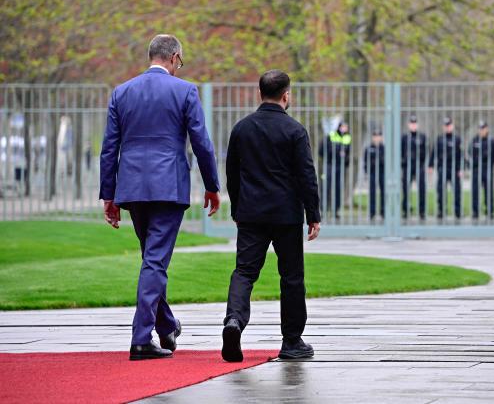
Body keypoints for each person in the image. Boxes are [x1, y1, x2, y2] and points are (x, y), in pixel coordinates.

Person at [99, 34, 221, 361]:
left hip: (133, 187)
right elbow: (201, 142)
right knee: (155, 260)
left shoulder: (122, 92)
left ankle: (166, 325)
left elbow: (110, 149)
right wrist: (212, 185)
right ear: (175, 57)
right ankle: (141, 338)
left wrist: (108, 195)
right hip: (169, 185)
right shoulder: (184, 91)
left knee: (151, 259)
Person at [223, 70, 321, 362]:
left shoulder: (242, 129)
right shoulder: (294, 130)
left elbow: (232, 174)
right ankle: (292, 341)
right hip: (286, 215)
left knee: (244, 272)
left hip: (251, 213)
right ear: (286, 95)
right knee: (291, 276)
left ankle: (234, 322)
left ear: (259, 93)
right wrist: (313, 213)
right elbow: (306, 175)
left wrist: (238, 208)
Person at [428, 117, 462, 220]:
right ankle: (441, 211)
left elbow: (460, 155)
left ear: (452, 126)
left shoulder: (457, 139)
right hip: (442, 168)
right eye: (445, 125)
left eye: (449, 125)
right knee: (441, 191)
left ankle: (457, 212)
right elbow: (433, 153)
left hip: (454, 169)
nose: (447, 127)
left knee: (456, 191)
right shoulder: (439, 139)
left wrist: (460, 169)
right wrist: (430, 166)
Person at [319, 121, 351, 219]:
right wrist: (328, 158)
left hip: (340, 166)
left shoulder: (347, 137)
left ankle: (335, 211)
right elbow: (321, 150)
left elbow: (348, 152)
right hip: (329, 165)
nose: (344, 128)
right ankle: (323, 210)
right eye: (343, 126)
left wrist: (345, 161)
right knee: (326, 188)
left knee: (338, 189)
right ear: (339, 127)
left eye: (346, 127)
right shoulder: (331, 135)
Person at [469, 120, 494, 220]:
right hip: (476, 169)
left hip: (487, 168)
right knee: (475, 191)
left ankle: (490, 211)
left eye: (483, 128)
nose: (481, 131)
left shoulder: (492, 141)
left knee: (489, 191)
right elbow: (471, 153)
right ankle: (475, 212)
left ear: (487, 129)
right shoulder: (474, 140)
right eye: (480, 129)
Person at [401, 115, 427, 219]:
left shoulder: (422, 137)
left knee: (421, 189)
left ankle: (422, 211)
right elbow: (401, 151)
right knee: (406, 189)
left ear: (417, 124)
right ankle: (406, 210)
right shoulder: (404, 137)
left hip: (419, 166)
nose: (413, 125)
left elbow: (425, 151)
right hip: (407, 166)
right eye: (411, 123)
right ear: (408, 125)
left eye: (415, 123)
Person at [363, 128, 385, 220]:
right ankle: (372, 212)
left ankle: (383, 211)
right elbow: (365, 161)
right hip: (372, 172)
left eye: (378, 136)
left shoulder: (384, 148)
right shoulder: (368, 148)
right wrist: (366, 172)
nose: (377, 138)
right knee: (372, 192)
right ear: (372, 137)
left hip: (382, 172)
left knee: (383, 192)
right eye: (375, 136)